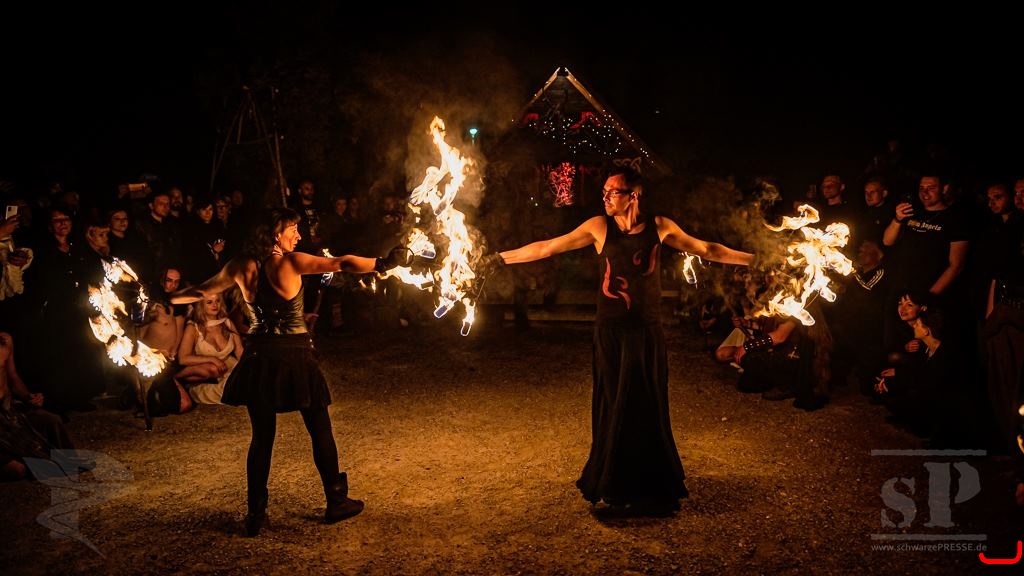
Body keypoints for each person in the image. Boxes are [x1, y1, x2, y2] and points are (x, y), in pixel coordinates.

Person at [489, 166, 753, 516]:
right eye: (604, 192)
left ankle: (653, 486)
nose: (605, 197)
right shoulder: (599, 227)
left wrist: (753, 260)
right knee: (614, 405)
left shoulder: (660, 227)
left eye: (612, 192)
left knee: (648, 405)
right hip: (611, 332)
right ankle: (613, 484)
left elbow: (707, 248)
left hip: (647, 332)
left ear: (633, 195)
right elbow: (549, 247)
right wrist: (499, 259)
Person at [170, 207, 409, 536]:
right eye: (292, 229)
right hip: (293, 355)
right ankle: (336, 501)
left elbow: (200, 291)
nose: (298, 235)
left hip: (259, 357)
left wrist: (165, 297)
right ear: (274, 233)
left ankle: (256, 514)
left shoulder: (240, 265)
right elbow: (341, 263)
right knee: (320, 428)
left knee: (262, 437)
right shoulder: (291, 263)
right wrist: (383, 263)